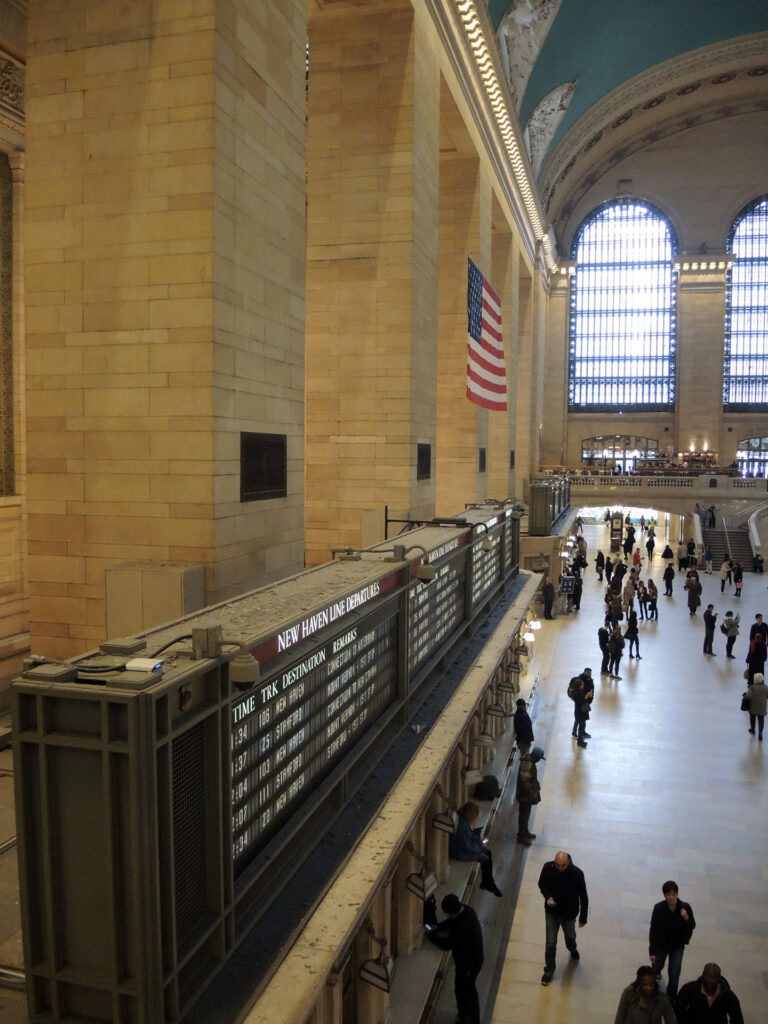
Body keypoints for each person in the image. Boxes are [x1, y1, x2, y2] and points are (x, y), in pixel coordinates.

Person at [426, 893, 484, 1024]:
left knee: (468, 991)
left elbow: (447, 944)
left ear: (450, 912)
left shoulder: (462, 926)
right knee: (461, 988)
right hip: (469, 960)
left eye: (447, 913)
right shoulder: (467, 910)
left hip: (469, 964)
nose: (447, 916)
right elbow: (452, 921)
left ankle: (473, 1020)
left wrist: (431, 936)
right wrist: (438, 927)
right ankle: (464, 1015)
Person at [538, 850, 588, 986]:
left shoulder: (577, 874)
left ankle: (572, 948)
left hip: (568, 914)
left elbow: (583, 896)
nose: (560, 868)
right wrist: (548, 896)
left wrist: (583, 917)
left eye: (563, 865)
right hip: (552, 912)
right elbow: (542, 884)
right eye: (557, 865)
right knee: (550, 942)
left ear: (568, 862)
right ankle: (549, 971)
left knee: (570, 936)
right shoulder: (548, 868)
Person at [649, 880, 696, 1003]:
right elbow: (653, 930)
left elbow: (692, 925)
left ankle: (670, 1000)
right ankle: (652, 993)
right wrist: (652, 951)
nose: (671, 897)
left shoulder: (685, 907)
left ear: (677, 894)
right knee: (656, 969)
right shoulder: (659, 908)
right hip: (661, 945)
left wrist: (686, 918)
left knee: (674, 974)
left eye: (673, 894)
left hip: (677, 946)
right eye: (668, 895)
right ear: (664, 895)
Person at [449, 802, 502, 897]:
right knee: (486, 859)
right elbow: (466, 845)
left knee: (487, 852)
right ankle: (488, 884)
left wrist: (479, 842)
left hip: (464, 847)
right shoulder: (463, 825)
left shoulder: (464, 820)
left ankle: (487, 882)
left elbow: (469, 837)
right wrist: (478, 847)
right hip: (460, 851)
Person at [674, 962, 743, 1024]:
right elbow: (678, 1011)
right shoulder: (689, 990)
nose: (712, 980)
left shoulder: (728, 996)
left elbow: (737, 1019)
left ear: (719, 977)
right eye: (709, 976)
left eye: (715, 977)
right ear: (703, 975)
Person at [515, 746, 544, 845]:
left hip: (527, 796)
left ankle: (525, 831)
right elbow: (525, 782)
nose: (539, 760)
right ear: (535, 756)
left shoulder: (530, 762)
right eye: (539, 758)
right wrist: (532, 792)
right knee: (523, 816)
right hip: (524, 796)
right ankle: (521, 836)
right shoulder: (527, 765)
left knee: (526, 814)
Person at [568, 672, 592, 748]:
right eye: (582, 685)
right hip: (580, 712)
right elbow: (581, 702)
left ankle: (578, 737)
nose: (583, 686)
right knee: (581, 726)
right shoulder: (576, 694)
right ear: (579, 686)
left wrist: (589, 696)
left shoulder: (580, 691)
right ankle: (580, 741)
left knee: (581, 724)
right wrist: (586, 697)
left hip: (582, 712)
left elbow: (586, 701)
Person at [747, 672, 768, 740]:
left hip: (753, 706)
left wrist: (744, 695)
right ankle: (760, 733)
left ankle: (753, 729)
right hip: (762, 707)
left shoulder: (752, 687)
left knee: (752, 718)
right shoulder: (766, 688)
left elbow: (748, 696)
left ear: (755, 679)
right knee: (761, 720)